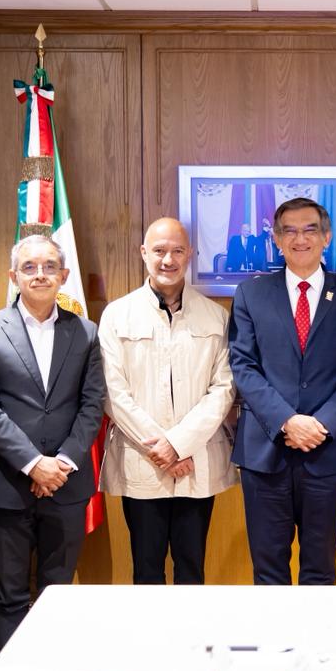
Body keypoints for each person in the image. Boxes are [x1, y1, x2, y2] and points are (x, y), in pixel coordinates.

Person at [0, 235, 105, 654]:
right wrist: (32, 463)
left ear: (64, 275)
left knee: (56, 594)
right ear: (14, 276)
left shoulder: (86, 332)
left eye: (49, 267)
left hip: (67, 483)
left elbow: (92, 404)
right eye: (29, 267)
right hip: (7, 483)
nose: (39, 274)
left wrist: (62, 462)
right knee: (9, 594)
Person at [228, 197, 336, 584]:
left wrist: (321, 424)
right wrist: (286, 421)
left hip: (328, 451)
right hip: (265, 452)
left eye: (310, 229)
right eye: (289, 231)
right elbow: (243, 365)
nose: (300, 239)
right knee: (268, 572)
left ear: (326, 237)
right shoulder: (251, 294)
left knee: (320, 570)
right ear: (277, 240)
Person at [99, 218, 236, 584]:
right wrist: (163, 449)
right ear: (144, 253)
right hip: (143, 460)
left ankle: (190, 628)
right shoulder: (117, 315)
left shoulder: (216, 316)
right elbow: (113, 392)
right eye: (159, 250)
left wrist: (178, 445)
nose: (168, 260)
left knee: (192, 567)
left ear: (189, 254)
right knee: (147, 569)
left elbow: (223, 389)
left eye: (177, 251)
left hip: (197, 461)